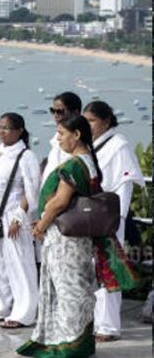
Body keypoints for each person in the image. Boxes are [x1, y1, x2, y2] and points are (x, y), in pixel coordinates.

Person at [18, 115, 138, 357]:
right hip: (75, 239)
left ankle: (70, 344)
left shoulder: (74, 165)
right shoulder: (88, 162)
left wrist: (41, 225)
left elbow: (59, 202)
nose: (58, 139)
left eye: (62, 134)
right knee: (76, 288)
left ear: (77, 135)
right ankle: (75, 341)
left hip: (66, 241)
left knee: (69, 290)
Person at [83, 101, 145, 342]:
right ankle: (94, 321)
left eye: (92, 120)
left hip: (109, 220)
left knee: (108, 271)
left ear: (106, 121)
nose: (88, 125)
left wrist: (114, 220)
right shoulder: (91, 146)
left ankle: (108, 326)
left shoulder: (118, 146)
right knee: (91, 271)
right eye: (85, 120)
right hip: (90, 217)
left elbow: (124, 186)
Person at [0, 112, 40, 328]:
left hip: (13, 217)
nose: (2, 132)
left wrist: (20, 218)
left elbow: (31, 192)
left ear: (19, 131)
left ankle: (24, 312)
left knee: (20, 265)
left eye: (7, 128)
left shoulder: (26, 156)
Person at [42, 92, 82, 181]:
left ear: (75, 112)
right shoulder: (56, 141)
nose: (56, 115)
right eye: (53, 111)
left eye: (60, 111)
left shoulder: (79, 141)